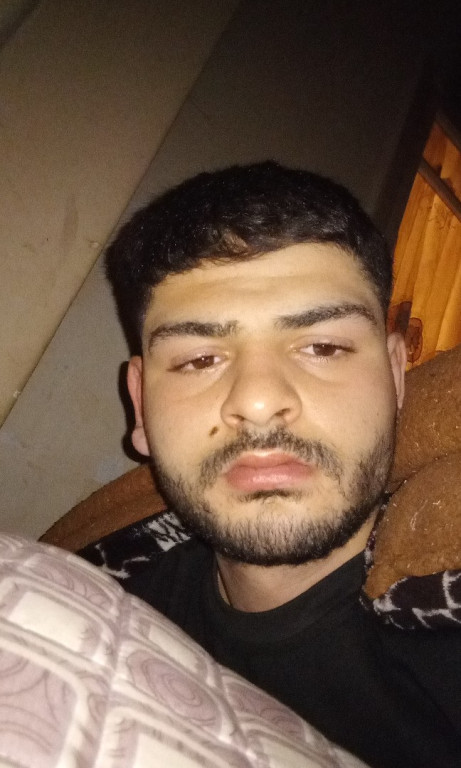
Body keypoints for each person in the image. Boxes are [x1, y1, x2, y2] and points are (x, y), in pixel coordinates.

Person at [81, 162, 461, 768]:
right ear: (141, 403)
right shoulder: (92, 615)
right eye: (200, 359)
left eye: (323, 346)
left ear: (395, 376)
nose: (258, 401)